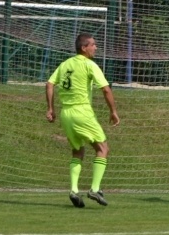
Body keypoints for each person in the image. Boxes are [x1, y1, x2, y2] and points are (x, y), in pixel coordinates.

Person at [46, 34, 120, 208]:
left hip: (66, 114)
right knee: (103, 148)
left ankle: (73, 190)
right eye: (93, 45)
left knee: (77, 151)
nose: (96, 47)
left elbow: (50, 84)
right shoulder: (89, 65)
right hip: (82, 111)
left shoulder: (65, 64)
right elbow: (106, 90)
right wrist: (113, 111)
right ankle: (94, 189)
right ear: (84, 48)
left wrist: (50, 108)